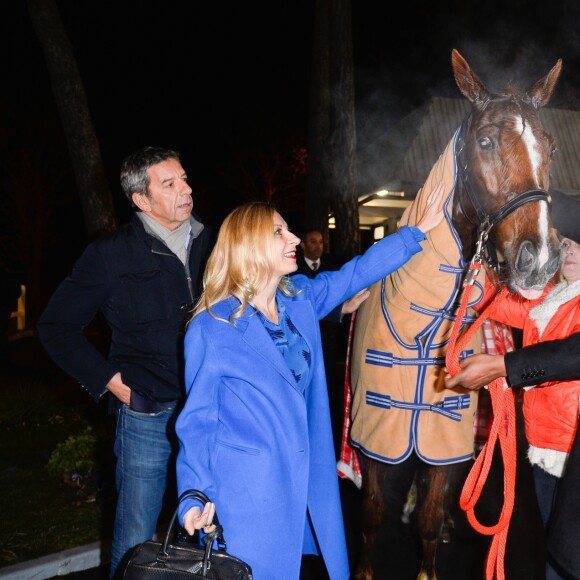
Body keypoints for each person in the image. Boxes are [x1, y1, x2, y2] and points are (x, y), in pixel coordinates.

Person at [175, 183, 445, 579]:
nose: (296, 239)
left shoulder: (299, 299)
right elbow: (196, 424)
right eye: (279, 233)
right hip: (248, 493)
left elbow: (355, 273)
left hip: (305, 478)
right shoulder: (212, 328)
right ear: (249, 245)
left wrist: (416, 231)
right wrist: (192, 499)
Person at [37, 146, 214, 578]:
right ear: (141, 199)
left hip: (212, 409)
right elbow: (56, 327)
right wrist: (115, 385)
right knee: (136, 537)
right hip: (147, 413)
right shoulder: (110, 255)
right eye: (169, 184)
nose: (186, 189)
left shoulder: (216, 242)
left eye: (185, 179)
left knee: (213, 526)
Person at [447, 235, 580, 580]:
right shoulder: (554, 297)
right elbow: (506, 305)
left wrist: (505, 368)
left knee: (566, 553)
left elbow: (568, 357)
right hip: (545, 444)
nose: (570, 253)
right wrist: (478, 280)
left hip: (570, 447)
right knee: (554, 541)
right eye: (566, 245)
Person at [293, 229, 366, 453]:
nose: (317, 245)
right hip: (302, 347)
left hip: (330, 345)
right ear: (303, 245)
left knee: (329, 396)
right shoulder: (291, 270)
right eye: (312, 241)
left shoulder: (332, 267)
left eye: (321, 242)